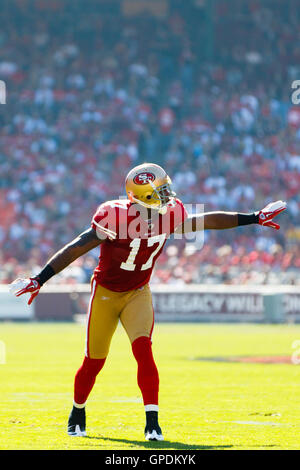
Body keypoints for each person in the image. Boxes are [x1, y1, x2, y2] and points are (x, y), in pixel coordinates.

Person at [10, 163, 286, 440]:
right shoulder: (113, 216)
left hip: (138, 291)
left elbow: (207, 221)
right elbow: (78, 246)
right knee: (94, 361)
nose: (169, 194)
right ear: (143, 197)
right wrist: (40, 278)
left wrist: (255, 217)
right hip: (106, 293)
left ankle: (152, 422)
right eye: (161, 191)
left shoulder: (171, 212)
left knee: (143, 351)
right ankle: (77, 411)